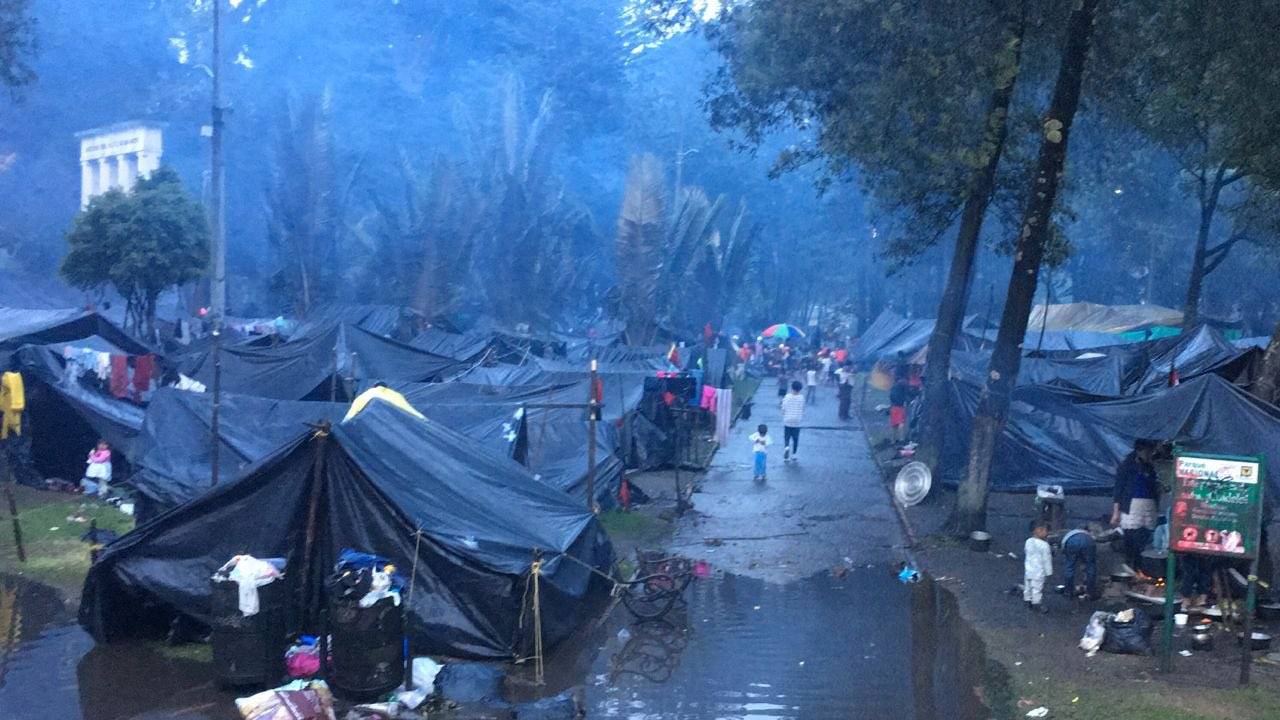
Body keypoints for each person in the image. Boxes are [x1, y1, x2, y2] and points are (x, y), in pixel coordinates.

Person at [1111, 439, 1161, 570]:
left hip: (1149, 506)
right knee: (1132, 535)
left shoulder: (1150, 468)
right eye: (1148, 451)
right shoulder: (1127, 466)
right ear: (1140, 450)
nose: (1150, 454)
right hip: (1133, 506)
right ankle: (1131, 564)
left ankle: (1140, 566)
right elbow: (1118, 489)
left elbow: (1154, 488)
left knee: (1145, 535)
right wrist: (1116, 512)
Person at [1059, 521, 1117, 599]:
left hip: (1071, 542)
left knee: (1070, 567)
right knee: (1090, 566)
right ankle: (1090, 592)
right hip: (1088, 542)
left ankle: (1068, 591)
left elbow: (1064, 547)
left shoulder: (1070, 533)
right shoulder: (1088, 535)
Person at [1024, 520, 1052, 613]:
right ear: (1039, 530)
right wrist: (1049, 572)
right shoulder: (1044, 545)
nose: (1047, 533)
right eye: (1046, 531)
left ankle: (1027, 599)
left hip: (1028, 569)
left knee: (1028, 586)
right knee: (1037, 588)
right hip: (1038, 571)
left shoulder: (1028, 541)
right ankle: (1036, 603)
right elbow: (1046, 560)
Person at [781, 380, 806, 461]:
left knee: (787, 437)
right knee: (795, 438)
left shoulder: (787, 397)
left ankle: (786, 448)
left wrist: (784, 414)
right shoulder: (801, 398)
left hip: (787, 420)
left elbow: (783, 407)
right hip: (797, 421)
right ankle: (794, 454)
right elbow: (802, 408)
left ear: (792, 388)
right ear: (800, 389)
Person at [888, 375, 909, 444]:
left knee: (894, 424)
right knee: (901, 423)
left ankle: (893, 440)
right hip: (900, 407)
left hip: (893, 407)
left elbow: (891, 396)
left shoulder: (893, 387)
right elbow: (907, 396)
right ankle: (901, 439)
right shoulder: (904, 387)